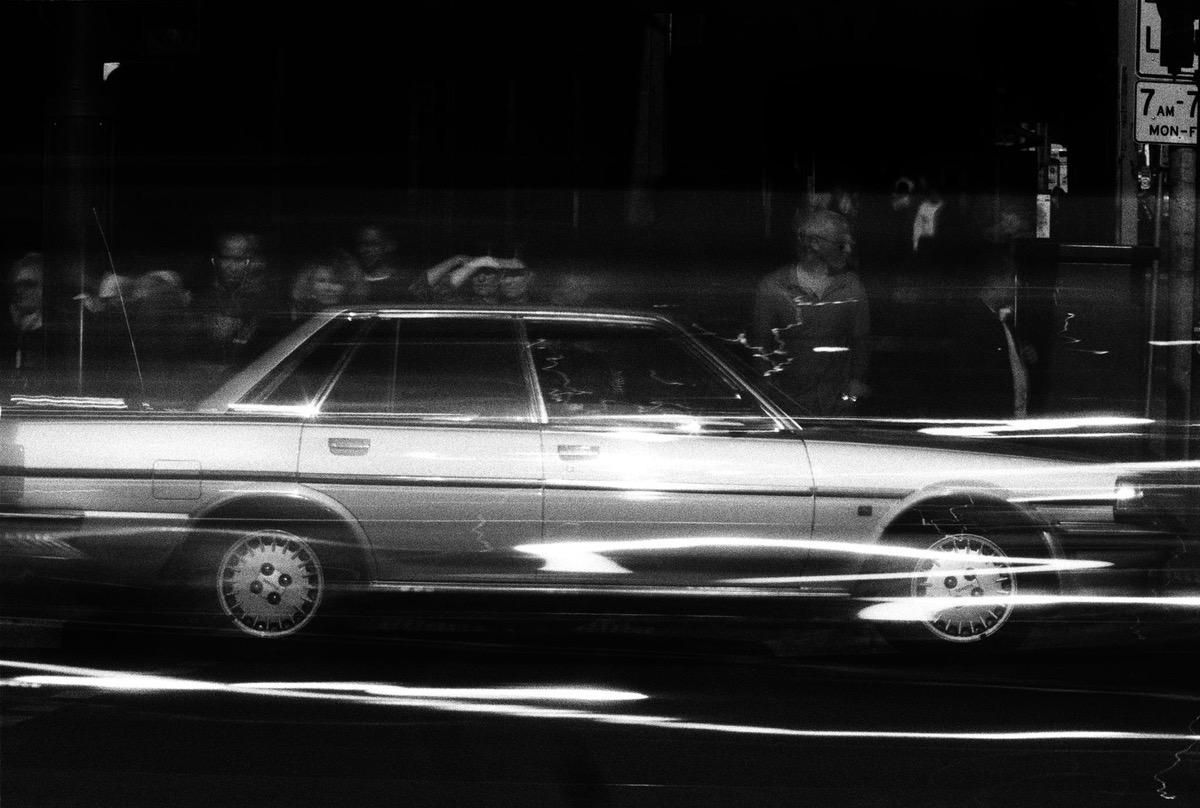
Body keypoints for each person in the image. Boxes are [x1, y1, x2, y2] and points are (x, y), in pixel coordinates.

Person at [751, 209, 870, 416]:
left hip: (835, 408)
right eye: (841, 243)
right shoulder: (774, 288)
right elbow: (760, 348)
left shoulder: (852, 287)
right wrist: (771, 396)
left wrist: (852, 394)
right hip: (787, 407)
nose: (848, 249)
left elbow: (861, 344)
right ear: (815, 243)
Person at [940, 254, 1037, 419]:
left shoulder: (1001, 322)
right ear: (994, 281)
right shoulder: (973, 322)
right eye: (1011, 278)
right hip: (994, 416)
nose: (1016, 284)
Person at [191, 229, 278, 371]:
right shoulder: (202, 297)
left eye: (239, 259)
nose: (232, 267)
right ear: (216, 260)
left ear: (251, 262)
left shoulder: (265, 301)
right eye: (226, 258)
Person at [0, 252, 50, 393]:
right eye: (17, 285)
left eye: (29, 284)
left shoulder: (55, 333)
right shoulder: (7, 331)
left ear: (44, 288)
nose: (20, 291)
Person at [289, 252, 368, 320]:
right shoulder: (302, 311)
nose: (328, 288)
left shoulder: (355, 313)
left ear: (349, 285)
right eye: (321, 281)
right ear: (309, 282)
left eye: (336, 282)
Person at [349, 223, 414, 302]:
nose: (366, 250)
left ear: (389, 246)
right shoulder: (349, 280)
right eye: (362, 244)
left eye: (373, 244)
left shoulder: (404, 281)